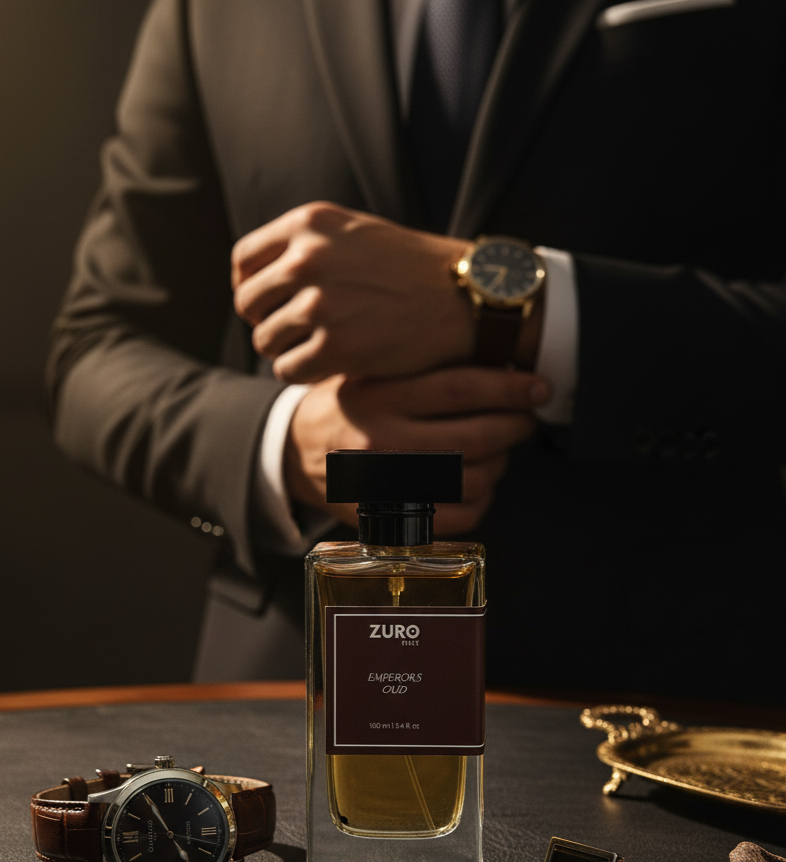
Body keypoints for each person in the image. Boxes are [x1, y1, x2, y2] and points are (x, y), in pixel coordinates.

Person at [47, 0, 786, 702]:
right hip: (285, 699)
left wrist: (513, 308)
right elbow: (98, 349)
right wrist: (289, 438)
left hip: (663, 707)